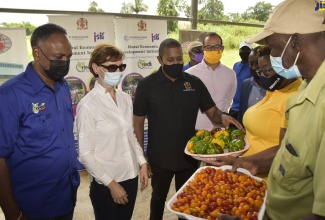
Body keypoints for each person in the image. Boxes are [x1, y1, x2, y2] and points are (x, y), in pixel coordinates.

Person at [212, 0, 325, 219]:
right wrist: (253, 162)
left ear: (296, 42)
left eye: (273, 47)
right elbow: (293, 156)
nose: (272, 56)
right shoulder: (306, 89)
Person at [133, 38, 244, 220]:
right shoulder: (147, 85)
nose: (175, 63)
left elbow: (213, 112)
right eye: (170, 60)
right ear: (160, 59)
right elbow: (137, 123)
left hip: (188, 155)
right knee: (158, 198)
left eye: (179, 59)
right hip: (159, 157)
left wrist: (223, 116)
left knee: (187, 199)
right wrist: (142, 159)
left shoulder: (194, 83)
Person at [0, 23, 80, 220]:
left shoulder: (62, 87)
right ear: (37, 53)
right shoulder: (10, 95)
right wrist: (13, 214)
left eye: (68, 57)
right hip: (32, 206)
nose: (65, 62)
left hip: (66, 196)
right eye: (58, 57)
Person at [76, 43, 149, 220]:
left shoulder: (125, 98)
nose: (117, 71)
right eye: (111, 67)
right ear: (96, 68)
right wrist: (112, 184)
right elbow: (85, 154)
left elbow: (130, 134)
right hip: (106, 183)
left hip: (130, 176)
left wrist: (142, 162)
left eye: (121, 66)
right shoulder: (88, 105)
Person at [186, 33, 237, 131]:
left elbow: (229, 99)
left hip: (221, 130)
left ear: (222, 49)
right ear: (203, 49)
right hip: (197, 130)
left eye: (216, 47)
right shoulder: (190, 74)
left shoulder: (230, 74)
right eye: (208, 47)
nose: (212, 50)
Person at [237, 46, 266, 125]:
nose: (253, 67)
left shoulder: (275, 87)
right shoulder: (246, 84)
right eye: (251, 63)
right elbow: (241, 114)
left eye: (257, 63)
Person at [229, 40, 254, 119]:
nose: (245, 51)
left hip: (246, 107)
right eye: (243, 49)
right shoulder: (236, 65)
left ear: (252, 51)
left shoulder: (253, 67)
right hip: (234, 107)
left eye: (247, 49)